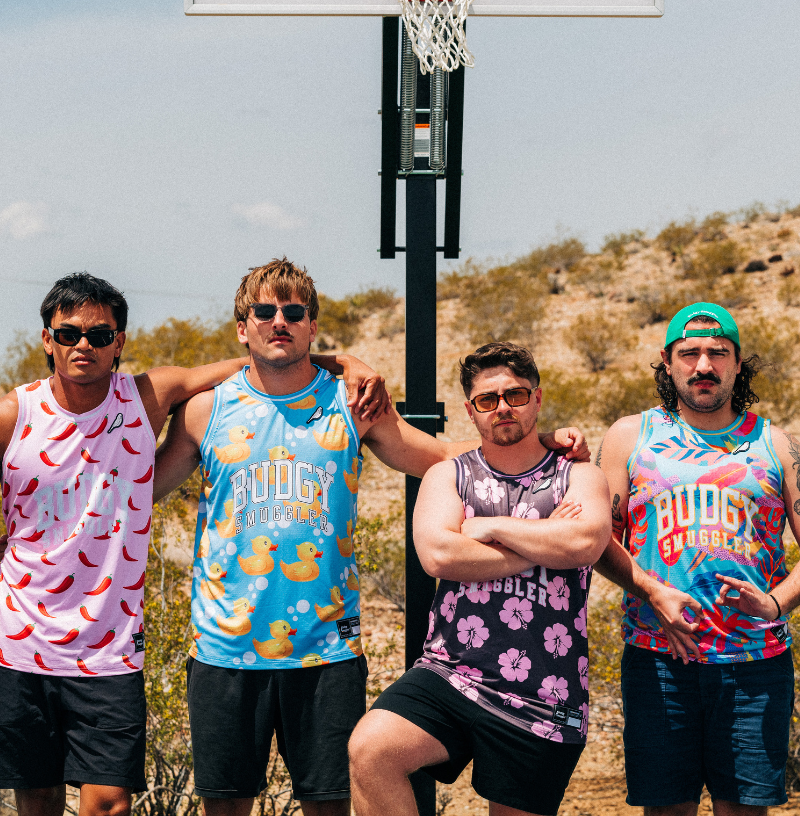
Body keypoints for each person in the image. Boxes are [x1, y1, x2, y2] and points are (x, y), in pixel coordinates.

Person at [154, 264, 589, 816]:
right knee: (224, 808)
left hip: (324, 651)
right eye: (264, 312)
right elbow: (141, 489)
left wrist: (531, 444)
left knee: (332, 804)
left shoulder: (352, 402)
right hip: (224, 649)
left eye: (294, 312)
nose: (279, 322)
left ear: (313, 326)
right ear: (243, 327)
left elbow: (433, 453)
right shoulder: (205, 410)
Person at [0, 271, 384, 816]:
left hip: (109, 650)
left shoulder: (144, 398)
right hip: (20, 637)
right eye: (68, 334)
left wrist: (345, 364)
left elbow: (257, 362)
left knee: (107, 804)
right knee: (35, 798)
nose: (83, 344)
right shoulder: (15, 413)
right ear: (46, 338)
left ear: (120, 343)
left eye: (100, 334)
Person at [348, 341, 610, 816]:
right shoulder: (448, 476)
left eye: (515, 394)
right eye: (487, 400)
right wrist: (546, 541)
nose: (503, 407)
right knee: (371, 750)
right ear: (471, 411)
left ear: (538, 398)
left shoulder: (580, 476)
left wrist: (488, 529)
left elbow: (585, 544)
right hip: (452, 672)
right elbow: (440, 554)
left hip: (545, 696)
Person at [594, 301, 800, 816]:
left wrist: (777, 604)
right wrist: (651, 591)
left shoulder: (773, 443)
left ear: (736, 362)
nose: (703, 365)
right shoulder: (629, 437)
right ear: (668, 362)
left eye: (717, 353)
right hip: (658, 660)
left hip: (756, 667)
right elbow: (595, 540)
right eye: (690, 353)